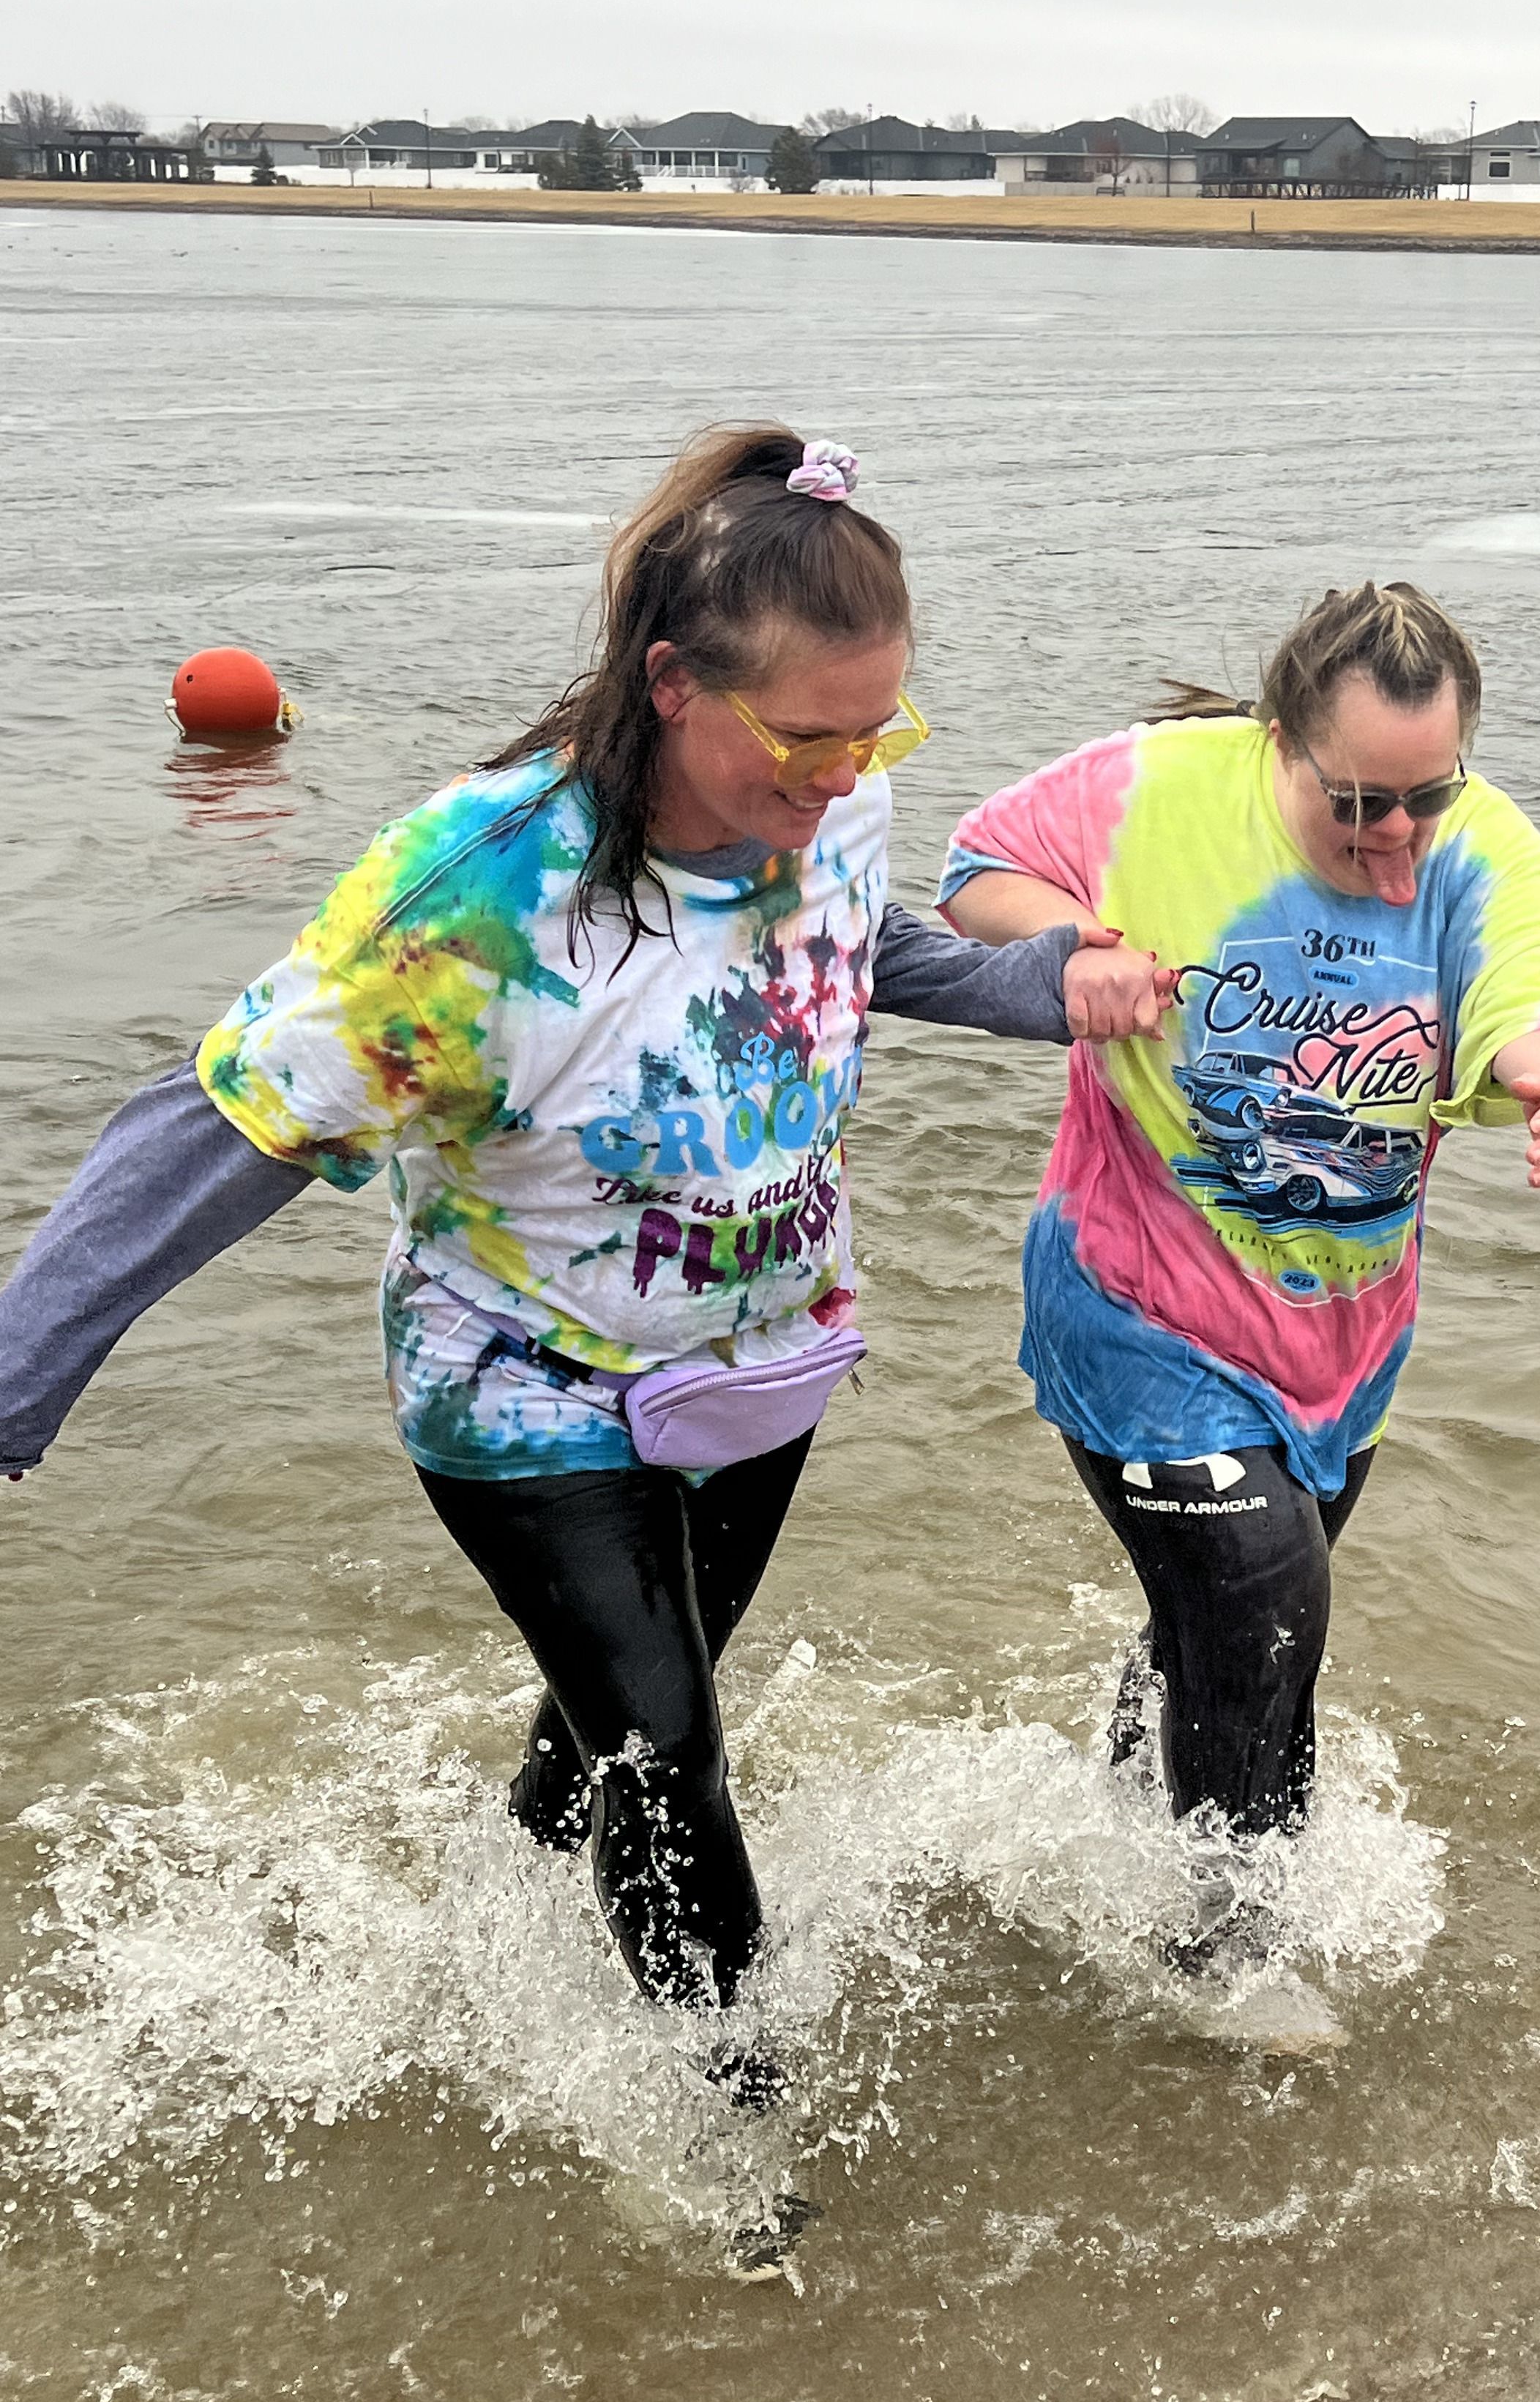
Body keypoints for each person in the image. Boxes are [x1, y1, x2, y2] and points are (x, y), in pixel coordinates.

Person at [0, 425, 1169, 2070]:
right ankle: (735, 2140)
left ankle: (492, 1947)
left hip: (761, 1360)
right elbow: (219, 1125)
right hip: (524, 1376)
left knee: (623, 1723)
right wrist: (14, 1388)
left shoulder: (837, 791)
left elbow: (853, 942)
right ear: (674, 680)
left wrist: (1047, 988)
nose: (841, 777)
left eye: (874, 728)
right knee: (674, 1749)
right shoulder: (477, 899)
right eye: (803, 739)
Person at [938, 581, 1540, 1999]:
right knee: (1264, 1602)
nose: (1400, 841)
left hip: (1340, 1342)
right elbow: (975, 868)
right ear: (1280, 746)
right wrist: (1079, 949)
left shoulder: (1482, 851)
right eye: (1360, 803)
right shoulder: (1159, 786)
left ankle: (1117, 1822)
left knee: (1228, 1627)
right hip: (1136, 1306)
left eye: (1431, 796)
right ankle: (1232, 1955)